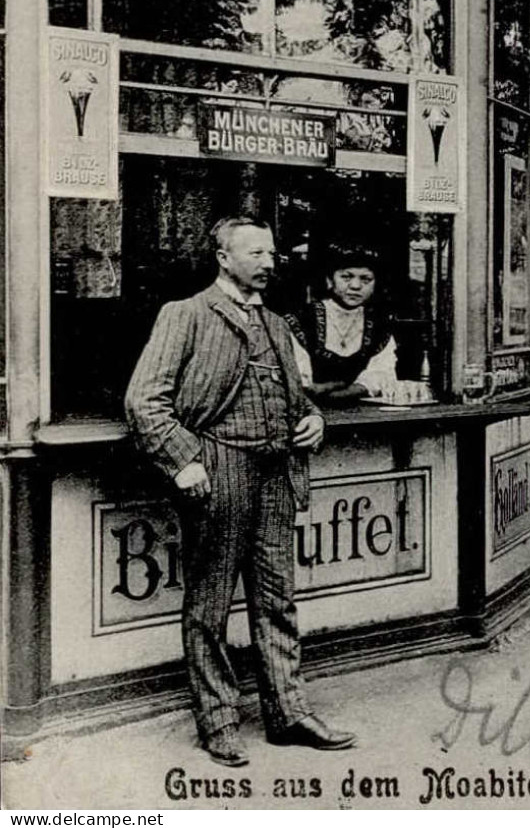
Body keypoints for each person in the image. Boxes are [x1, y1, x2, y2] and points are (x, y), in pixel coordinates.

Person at [125, 217, 354, 767]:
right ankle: (219, 719)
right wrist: (184, 461)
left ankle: (288, 713)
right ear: (223, 258)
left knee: (278, 598)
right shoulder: (185, 315)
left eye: (271, 253)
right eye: (255, 253)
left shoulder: (276, 324)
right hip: (218, 470)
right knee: (210, 604)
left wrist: (314, 421)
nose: (268, 262)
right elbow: (143, 402)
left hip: (276, 473)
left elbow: (299, 400)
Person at [287, 245, 400, 404]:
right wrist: (344, 386)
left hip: (364, 413)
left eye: (365, 279)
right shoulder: (303, 320)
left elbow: (380, 376)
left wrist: (336, 389)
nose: (355, 286)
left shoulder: (379, 325)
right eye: (346, 277)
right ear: (329, 281)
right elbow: (301, 384)